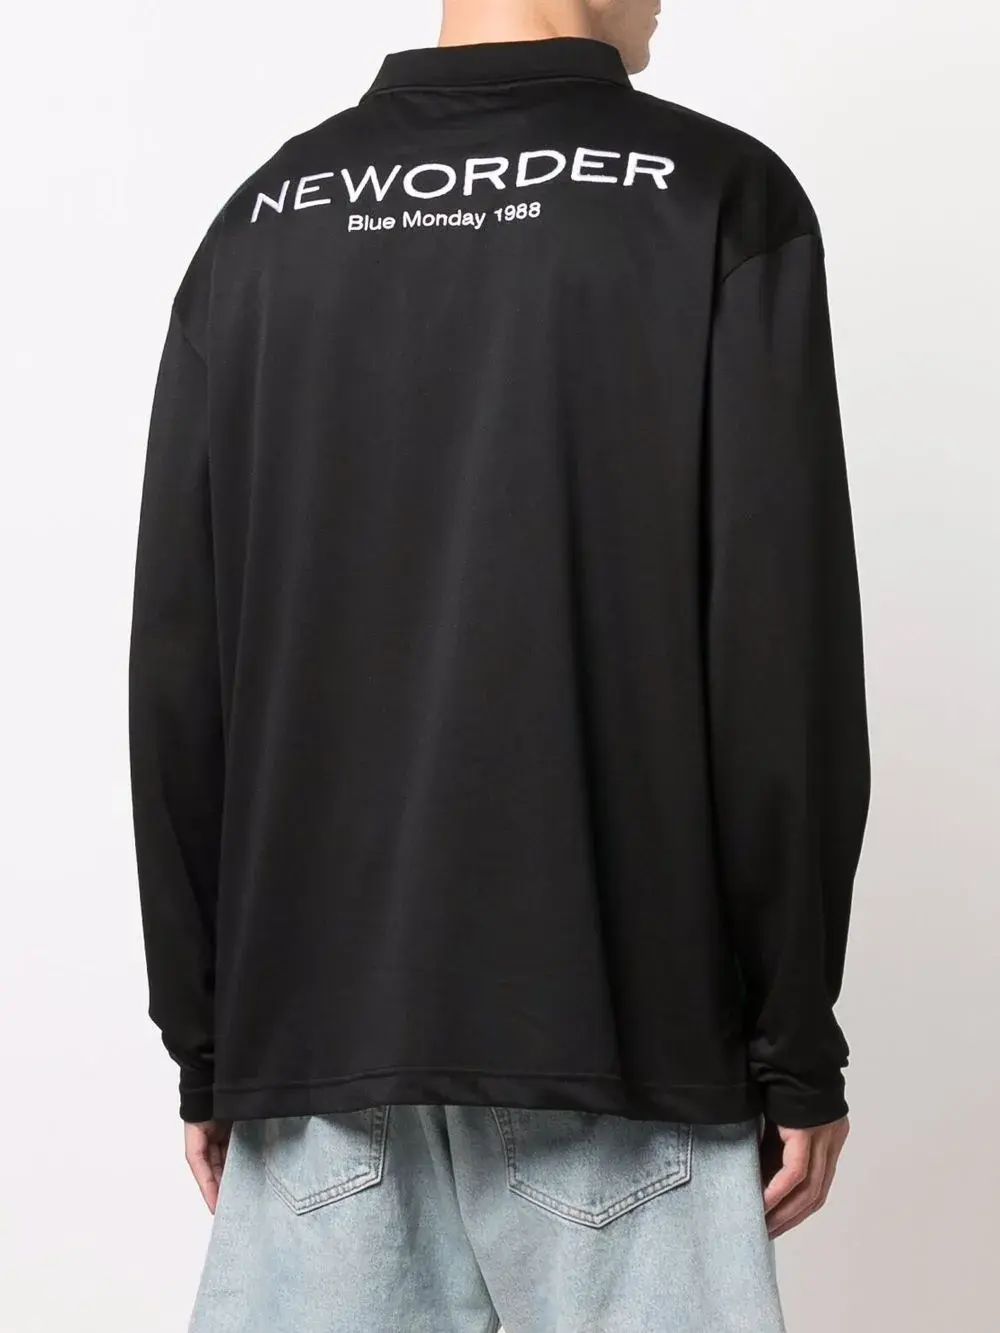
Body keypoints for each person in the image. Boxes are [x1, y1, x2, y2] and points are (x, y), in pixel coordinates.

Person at [128, 1, 871, 1329]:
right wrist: (793, 1044)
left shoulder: (262, 223)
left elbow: (181, 670)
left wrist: (213, 1042)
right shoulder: (715, 198)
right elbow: (778, 658)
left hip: (313, 1061)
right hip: (627, 1050)